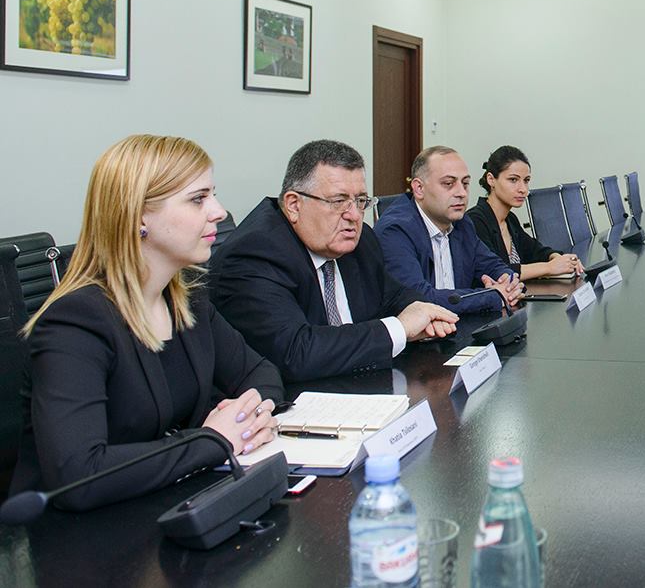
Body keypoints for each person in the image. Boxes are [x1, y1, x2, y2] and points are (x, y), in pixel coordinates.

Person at [10, 135, 283, 511]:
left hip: (167, 503)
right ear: (139, 215)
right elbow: (78, 475)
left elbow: (261, 374)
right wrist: (211, 440)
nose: (219, 212)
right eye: (198, 199)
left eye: (213, 195)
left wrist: (248, 420)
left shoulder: (188, 301)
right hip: (78, 535)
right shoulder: (73, 323)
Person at [209, 140, 457, 383]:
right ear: (294, 205)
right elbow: (296, 352)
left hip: (360, 387)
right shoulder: (254, 254)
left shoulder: (359, 240)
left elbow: (391, 295)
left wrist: (420, 310)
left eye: (360, 201)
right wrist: (400, 329)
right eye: (338, 201)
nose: (354, 215)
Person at [375, 146, 523, 314]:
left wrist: (509, 284)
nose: (461, 193)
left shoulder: (462, 223)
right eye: (448, 184)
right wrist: (493, 296)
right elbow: (418, 299)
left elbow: (494, 266)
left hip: (459, 324)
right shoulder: (395, 231)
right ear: (419, 188)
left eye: (465, 183)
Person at [465, 145, 585, 280]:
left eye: (526, 180)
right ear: (491, 179)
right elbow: (495, 271)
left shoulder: (510, 219)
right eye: (513, 180)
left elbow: (535, 251)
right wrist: (549, 267)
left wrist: (560, 259)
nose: (523, 189)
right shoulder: (474, 220)